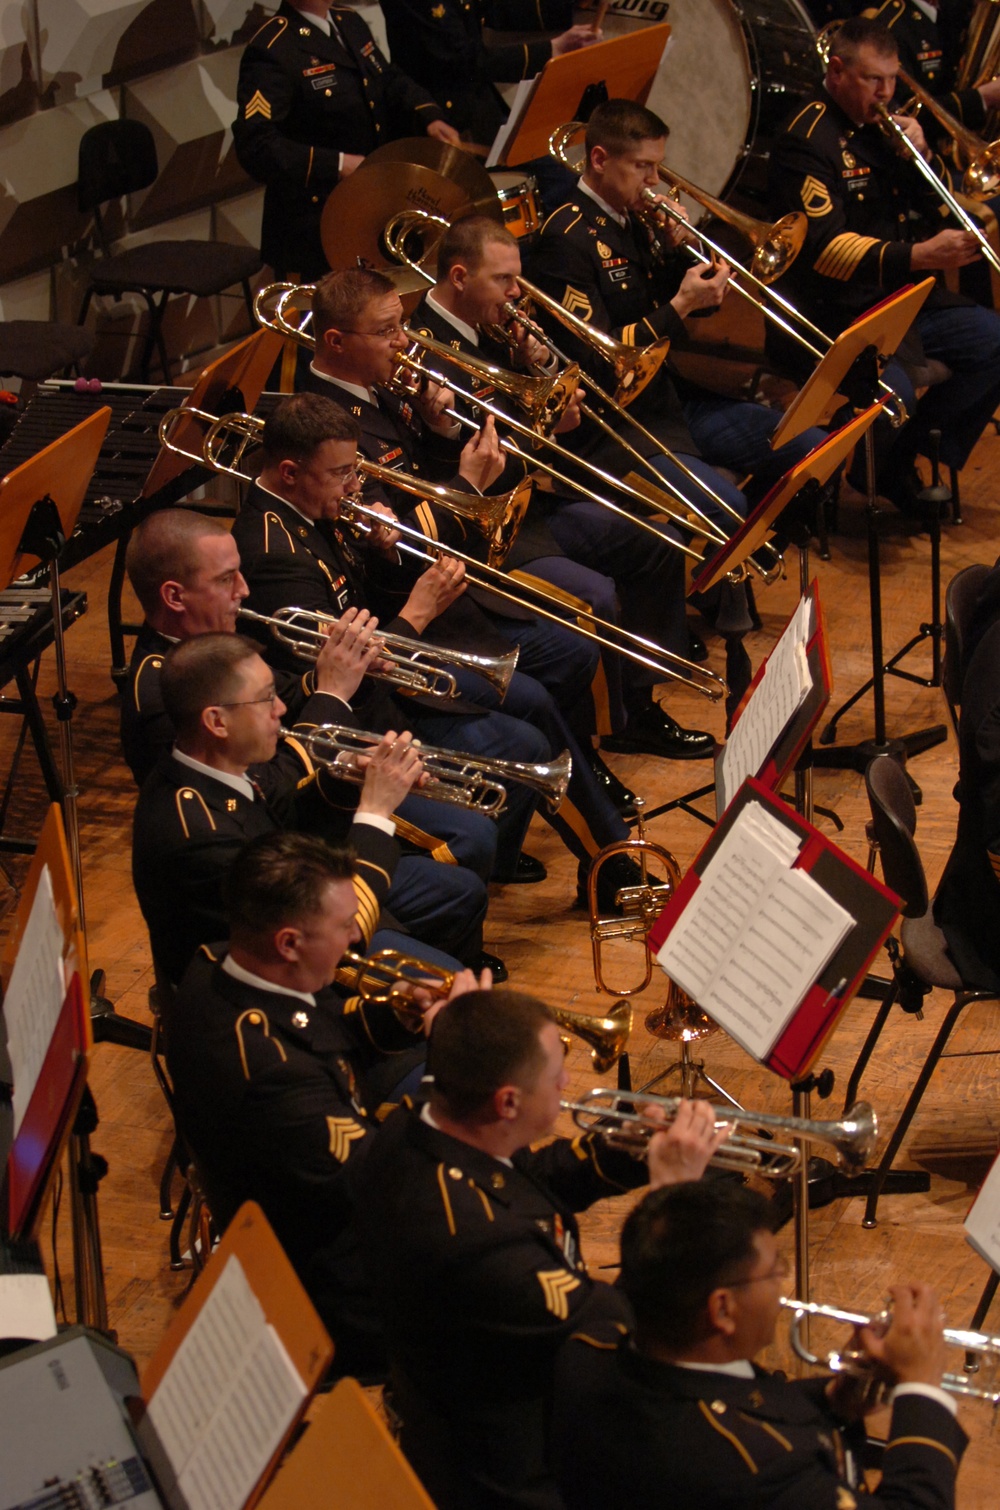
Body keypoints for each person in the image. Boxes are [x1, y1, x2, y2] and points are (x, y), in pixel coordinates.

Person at [234, 388, 658, 909]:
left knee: (535, 701)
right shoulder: (276, 556)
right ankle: (604, 868)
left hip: (392, 669)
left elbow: (363, 607)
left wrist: (384, 554)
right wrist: (417, 613)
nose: (355, 485)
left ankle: (600, 861)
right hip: (360, 721)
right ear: (290, 473)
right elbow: (339, 684)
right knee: (524, 739)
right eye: (341, 473)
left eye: (355, 469)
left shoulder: (316, 507)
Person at [355, 986, 726, 1509]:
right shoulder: (483, 1246)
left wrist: (626, 1150)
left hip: (465, 1401)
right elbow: (623, 1334)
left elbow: (522, 1177)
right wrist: (673, 1198)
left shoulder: (414, 1128)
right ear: (507, 1101)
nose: (568, 1083)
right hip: (520, 1475)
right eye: (556, 1076)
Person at [165, 830, 487, 1379]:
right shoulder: (276, 1077)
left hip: (299, 1205)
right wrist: (452, 1054)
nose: (355, 941)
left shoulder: (218, 965)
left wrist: (397, 1015)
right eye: (344, 928)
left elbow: (319, 1029)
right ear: (289, 943)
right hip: (335, 1291)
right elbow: (392, 1177)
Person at [410, 213, 718, 764]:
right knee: (595, 596)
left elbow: (551, 409)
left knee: (656, 542)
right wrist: (543, 419)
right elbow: (464, 452)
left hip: (533, 499)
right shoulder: (424, 351)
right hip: (488, 524)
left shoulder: (495, 324)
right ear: (459, 278)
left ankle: (640, 702)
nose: (516, 293)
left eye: (517, 277)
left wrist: (546, 368)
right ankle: (592, 747)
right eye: (502, 280)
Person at [121, 506, 502, 893]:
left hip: (310, 796)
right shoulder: (159, 696)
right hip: (276, 860)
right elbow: (265, 793)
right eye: (225, 579)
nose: (244, 589)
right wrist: (332, 693)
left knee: (472, 835)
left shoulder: (211, 636)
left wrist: (351, 665)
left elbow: (293, 691)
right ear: (174, 596)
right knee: (464, 858)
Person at [551, 1180, 967, 1509]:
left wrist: (836, 1399)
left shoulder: (589, 1349)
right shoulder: (761, 1468)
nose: (782, 1283)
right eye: (773, 1271)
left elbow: (736, 1402)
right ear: (723, 1309)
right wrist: (922, 1387)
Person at [528, 99, 829, 525]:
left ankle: (731, 570)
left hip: (671, 403)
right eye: (643, 167)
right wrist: (682, 302)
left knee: (813, 449)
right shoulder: (565, 239)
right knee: (730, 510)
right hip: (618, 427)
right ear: (599, 159)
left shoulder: (636, 219)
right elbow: (599, 361)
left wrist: (684, 254)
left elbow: (697, 311)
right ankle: (718, 577)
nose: (655, 182)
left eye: (658, 166)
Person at [131, 632, 483, 985]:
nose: (281, 709)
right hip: (279, 977)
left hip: (302, 900)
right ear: (217, 721)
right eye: (266, 699)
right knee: (447, 986)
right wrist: (374, 812)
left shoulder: (216, 761)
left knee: (461, 893)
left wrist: (347, 779)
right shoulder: (201, 836)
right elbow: (325, 927)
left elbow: (284, 818)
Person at [767, 17, 1000, 510]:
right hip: (833, 310)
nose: (887, 93)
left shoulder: (882, 127)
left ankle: (893, 464)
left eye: (893, 79)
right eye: (875, 80)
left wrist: (922, 154)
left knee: (992, 343)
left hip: (899, 300)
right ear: (837, 71)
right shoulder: (806, 138)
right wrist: (918, 256)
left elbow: (944, 204)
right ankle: (851, 457)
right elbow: (825, 250)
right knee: (896, 391)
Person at [232, 0, 460, 281]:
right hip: (317, 219)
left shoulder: (347, 21)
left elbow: (387, 80)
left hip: (371, 204)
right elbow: (256, 145)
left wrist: (428, 115)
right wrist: (337, 164)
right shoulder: (272, 47)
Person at [378, 0, 599, 144]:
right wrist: (551, 50)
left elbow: (494, 7)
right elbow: (464, 60)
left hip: (480, 107)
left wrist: (569, 5)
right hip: (445, 122)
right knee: (556, 178)